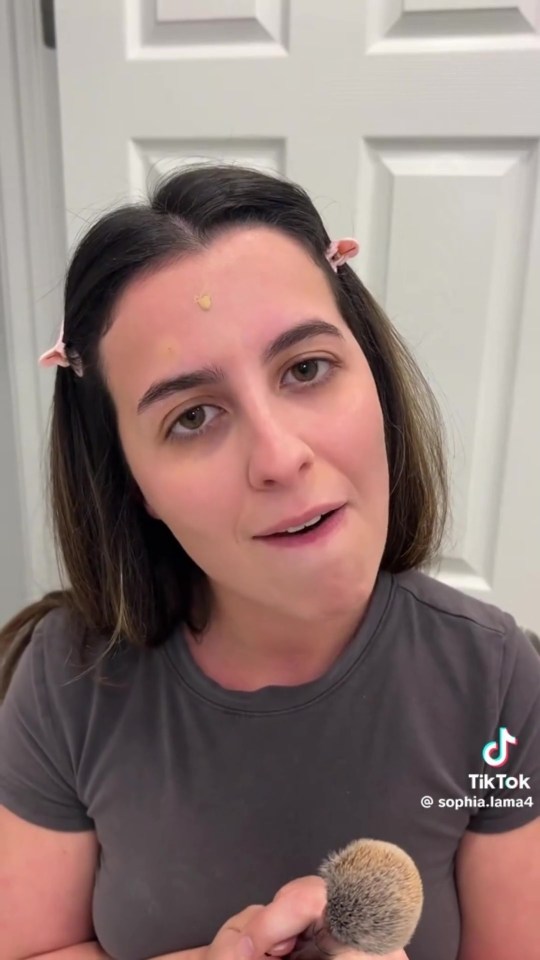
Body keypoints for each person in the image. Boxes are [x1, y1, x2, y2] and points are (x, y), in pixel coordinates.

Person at [0, 163, 538, 960]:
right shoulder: (66, 682)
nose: (280, 458)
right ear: (132, 482)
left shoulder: (498, 680)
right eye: (193, 418)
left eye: (306, 369)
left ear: (376, 377)